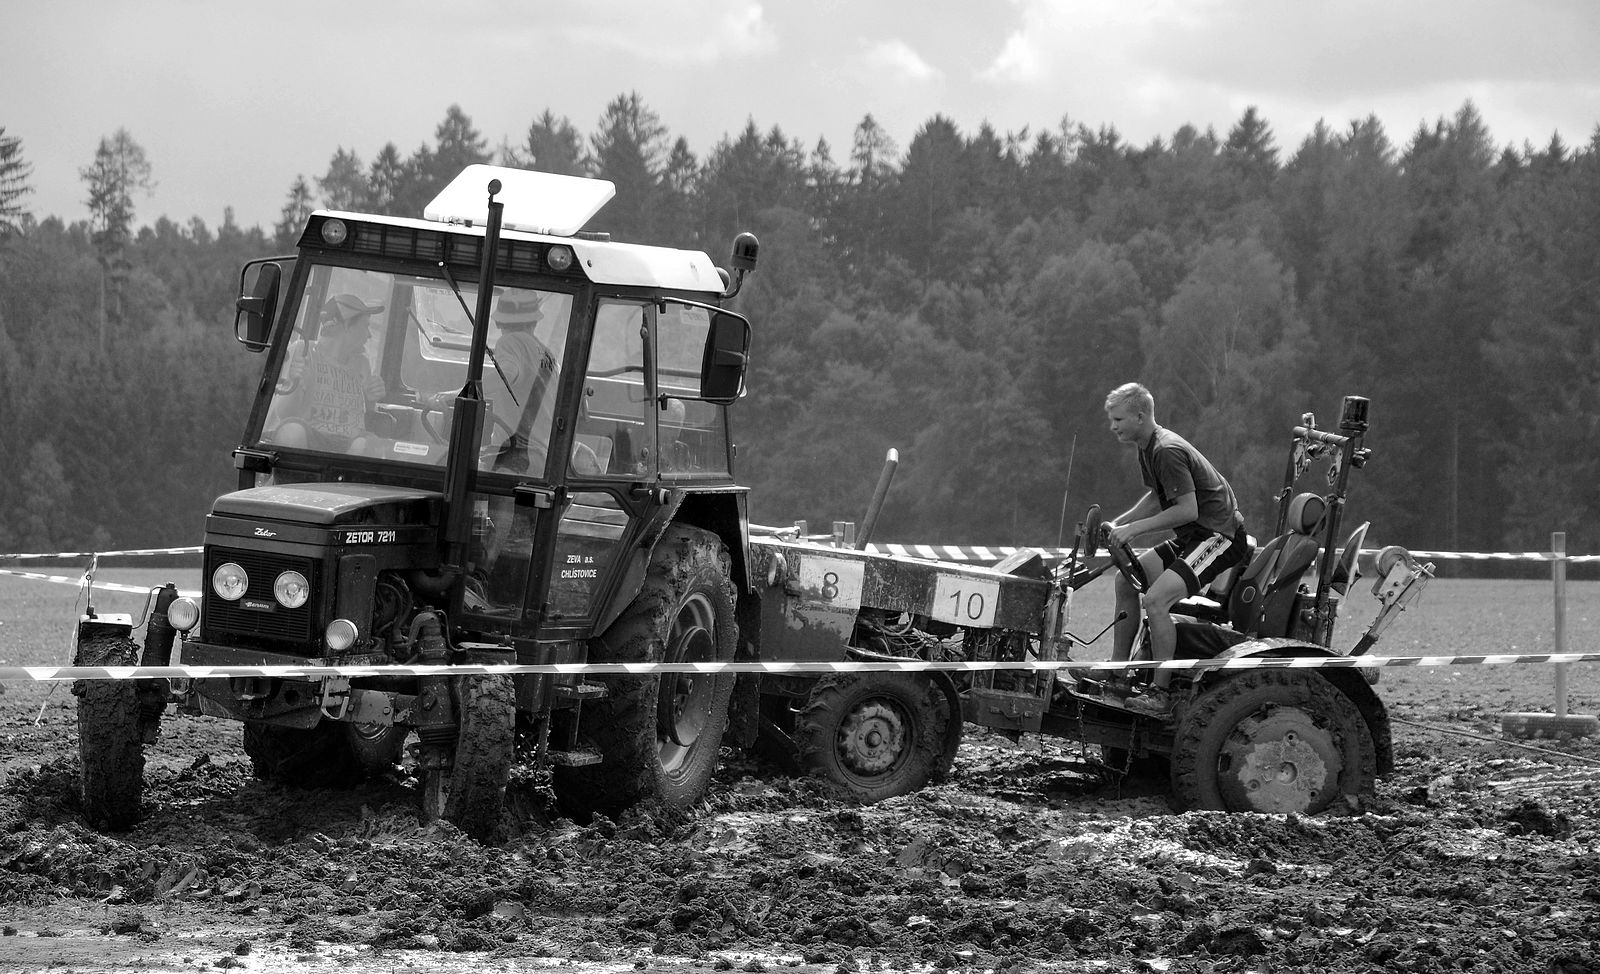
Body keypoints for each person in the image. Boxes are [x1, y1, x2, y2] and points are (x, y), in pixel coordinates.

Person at [1102, 382, 1249, 716]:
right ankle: (1117, 672)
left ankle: (1160, 693)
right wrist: (1121, 522)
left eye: (1118, 419)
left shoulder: (1166, 450)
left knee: (1156, 601)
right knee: (1126, 581)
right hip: (1195, 536)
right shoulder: (1148, 447)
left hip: (1219, 536)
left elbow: (1187, 510)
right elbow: (1158, 496)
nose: (1112, 426)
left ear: (1140, 417)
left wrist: (1134, 530)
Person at [270, 294, 388, 455]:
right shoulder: (303, 351)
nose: (369, 335)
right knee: (291, 432)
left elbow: (364, 418)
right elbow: (283, 414)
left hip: (349, 442)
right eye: (365, 326)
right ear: (347, 325)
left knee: (369, 444)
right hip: (312, 436)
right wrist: (294, 383)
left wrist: (371, 399)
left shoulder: (362, 363)